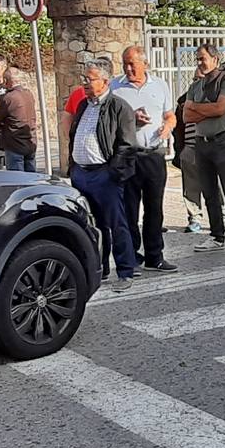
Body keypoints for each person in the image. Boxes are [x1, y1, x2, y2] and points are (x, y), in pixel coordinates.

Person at [68, 58, 139, 292]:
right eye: (84, 79)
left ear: (105, 81)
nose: (85, 83)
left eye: (90, 79)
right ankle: (101, 269)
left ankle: (125, 271)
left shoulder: (119, 107)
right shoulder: (83, 105)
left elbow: (127, 145)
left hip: (104, 175)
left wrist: (112, 173)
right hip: (82, 174)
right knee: (93, 226)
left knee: (116, 223)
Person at [110, 45, 177, 274]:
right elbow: (109, 122)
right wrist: (131, 119)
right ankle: (132, 256)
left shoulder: (160, 85)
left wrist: (168, 127)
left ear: (145, 64)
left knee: (154, 208)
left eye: (133, 64)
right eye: (125, 64)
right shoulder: (115, 87)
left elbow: (170, 115)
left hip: (153, 154)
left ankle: (154, 256)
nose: (128, 69)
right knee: (129, 209)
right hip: (128, 155)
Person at [183, 44, 225, 256]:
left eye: (203, 58)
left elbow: (221, 108)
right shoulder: (196, 86)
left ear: (215, 59)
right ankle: (216, 235)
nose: (200, 63)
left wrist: (198, 108)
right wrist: (207, 111)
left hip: (222, 142)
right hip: (201, 142)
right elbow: (186, 116)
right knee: (209, 192)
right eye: (197, 59)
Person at [173, 56, 210, 235]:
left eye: (201, 79)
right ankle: (195, 217)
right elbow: (178, 126)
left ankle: (222, 218)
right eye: (195, 79)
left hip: (211, 148)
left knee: (215, 186)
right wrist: (179, 150)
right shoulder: (183, 101)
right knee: (191, 186)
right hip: (189, 148)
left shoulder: (219, 99)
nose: (196, 82)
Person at [0, 54, 40, 172]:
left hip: (15, 144)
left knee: (18, 179)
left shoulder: (8, 98)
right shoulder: (28, 94)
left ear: (6, 81)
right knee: (32, 177)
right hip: (30, 140)